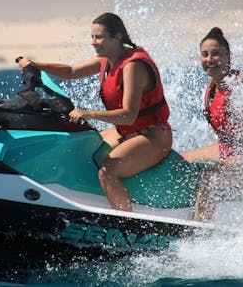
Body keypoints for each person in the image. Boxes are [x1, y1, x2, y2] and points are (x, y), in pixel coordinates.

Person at [17, 12, 172, 212]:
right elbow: (71, 72)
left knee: (108, 171)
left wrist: (87, 113)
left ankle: (126, 223)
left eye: (98, 37)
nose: (93, 42)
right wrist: (34, 65)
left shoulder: (133, 66)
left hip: (153, 136)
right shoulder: (107, 59)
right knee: (86, 142)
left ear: (116, 37)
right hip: (128, 132)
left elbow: (128, 115)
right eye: (92, 37)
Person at [182, 27, 243, 221]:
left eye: (216, 54)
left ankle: (199, 233)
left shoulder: (240, 90)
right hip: (230, 149)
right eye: (205, 54)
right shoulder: (212, 86)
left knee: (208, 180)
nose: (210, 60)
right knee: (182, 162)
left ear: (228, 57)